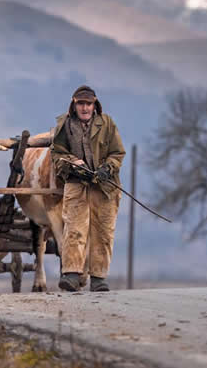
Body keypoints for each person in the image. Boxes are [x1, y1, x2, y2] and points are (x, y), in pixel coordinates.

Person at [51, 85, 125, 292]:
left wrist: (107, 168)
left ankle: (99, 278)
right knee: (74, 229)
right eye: (81, 103)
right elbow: (56, 154)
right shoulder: (64, 125)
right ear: (74, 105)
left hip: (105, 187)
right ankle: (72, 275)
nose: (85, 108)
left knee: (103, 231)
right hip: (76, 185)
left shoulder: (107, 124)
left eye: (88, 104)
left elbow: (117, 153)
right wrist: (73, 163)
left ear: (95, 105)